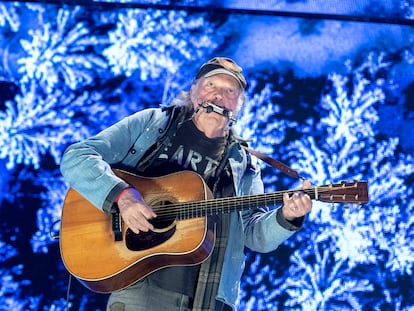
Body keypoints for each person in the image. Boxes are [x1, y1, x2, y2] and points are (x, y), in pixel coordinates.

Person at [60, 57, 312, 311]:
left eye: (229, 90)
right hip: (142, 290)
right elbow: (77, 158)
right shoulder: (153, 125)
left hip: (213, 298)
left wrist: (287, 217)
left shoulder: (244, 164)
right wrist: (122, 196)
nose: (218, 95)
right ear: (193, 92)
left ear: (239, 105)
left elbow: (255, 236)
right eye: (210, 85)